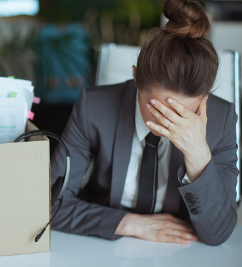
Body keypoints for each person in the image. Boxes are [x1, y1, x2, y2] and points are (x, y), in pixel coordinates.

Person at [50, 0, 238, 246]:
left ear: (204, 100)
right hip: (105, 244)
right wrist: (130, 223)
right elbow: (50, 204)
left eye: (182, 114)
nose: (168, 123)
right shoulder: (93, 107)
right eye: (157, 109)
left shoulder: (221, 120)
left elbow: (220, 232)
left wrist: (198, 154)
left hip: (182, 251)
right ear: (136, 77)